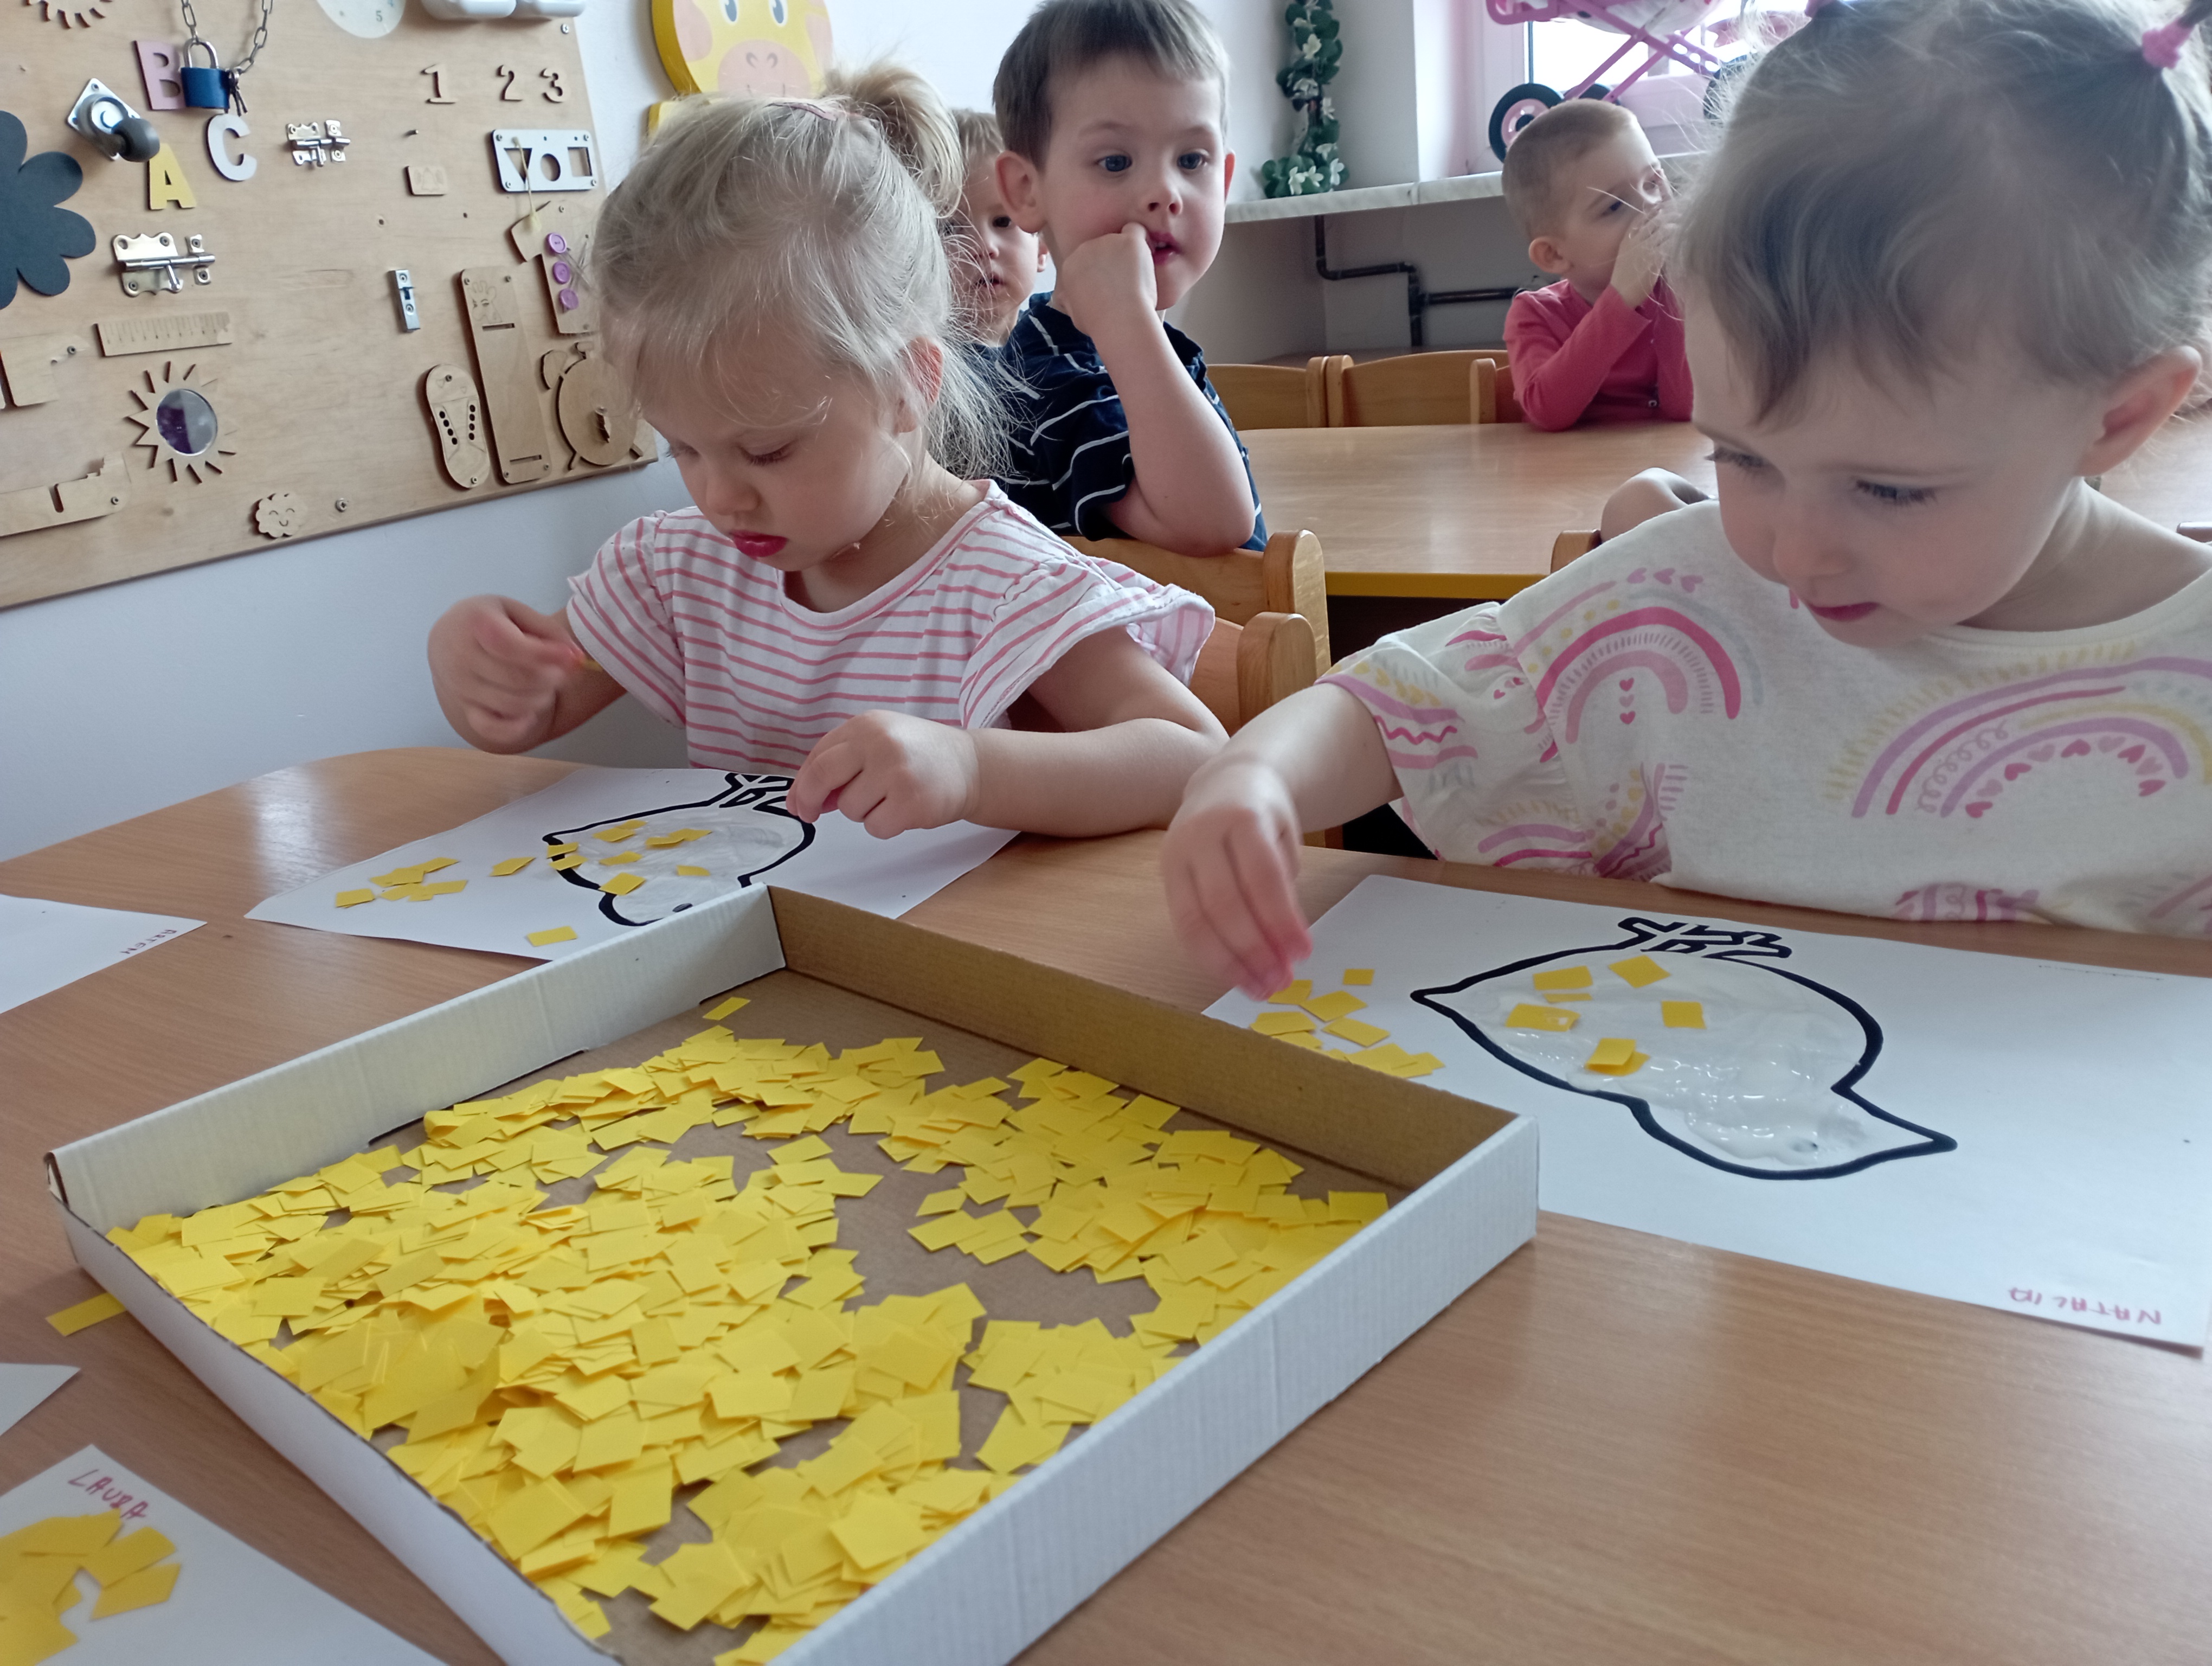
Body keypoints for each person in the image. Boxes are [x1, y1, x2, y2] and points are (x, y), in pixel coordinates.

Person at [1163, 0, 2212, 994]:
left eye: (1889, 489)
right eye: (1743, 458)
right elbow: (1409, 704)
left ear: (2117, 415)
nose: (1796, 554)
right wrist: (1256, 775)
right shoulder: (1684, 599)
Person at [427, 92, 1223, 840]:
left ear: (909, 383)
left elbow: (1194, 756)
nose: (721, 497)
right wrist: (479, 672)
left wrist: (973, 768)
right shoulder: (678, 571)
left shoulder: (1005, 588)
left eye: (767, 451)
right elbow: (537, 707)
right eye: (684, 449)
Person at [988, 0, 1266, 554]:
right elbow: (1214, 524)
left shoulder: (1131, 345)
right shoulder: (1051, 378)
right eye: (1115, 162)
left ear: (1224, 180)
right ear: (1027, 190)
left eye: (1192, 160)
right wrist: (1127, 322)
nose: (1165, 192)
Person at [1501, 99, 1693, 431]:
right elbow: (1547, 411)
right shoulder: (1535, 315)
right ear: (1554, 255)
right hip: (1571, 466)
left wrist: (1678, 283)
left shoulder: (1688, 292)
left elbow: (1686, 406)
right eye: (1614, 207)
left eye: (1653, 182)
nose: (1652, 207)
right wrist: (1621, 301)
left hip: (1665, 462)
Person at [952, 108, 1047, 344]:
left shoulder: (1065, 341)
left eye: (1003, 221)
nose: (984, 247)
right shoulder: (905, 360)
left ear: (1042, 248)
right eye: (950, 229)